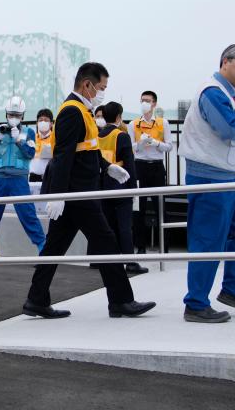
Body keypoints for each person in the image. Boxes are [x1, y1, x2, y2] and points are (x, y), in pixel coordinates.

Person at [23, 62, 155, 320]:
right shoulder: (72, 111)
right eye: (102, 88)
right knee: (106, 241)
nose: (103, 93)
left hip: (77, 192)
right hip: (77, 194)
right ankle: (121, 301)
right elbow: (62, 156)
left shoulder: (83, 111)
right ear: (87, 85)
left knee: (54, 247)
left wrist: (107, 168)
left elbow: (87, 150)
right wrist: (59, 195)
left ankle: (36, 299)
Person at [178, 43, 235, 323]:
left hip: (230, 177)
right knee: (208, 241)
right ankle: (195, 304)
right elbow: (230, 127)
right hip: (210, 177)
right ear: (225, 61)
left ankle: (233, 290)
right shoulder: (212, 92)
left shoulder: (227, 94)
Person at [0, 96, 46, 257]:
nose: (14, 118)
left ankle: (43, 249)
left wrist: (18, 140)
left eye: (17, 115)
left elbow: (30, 154)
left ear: (23, 116)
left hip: (19, 179)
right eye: (11, 114)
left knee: (27, 213)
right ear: (6, 114)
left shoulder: (28, 132)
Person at [97, 101, 147, 275]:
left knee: (108, 226)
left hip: (102, 186)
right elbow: (129, 165)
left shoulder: (98, 135)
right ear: (118, 117)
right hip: (120, 185)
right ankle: (130, 262)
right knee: (125, 226)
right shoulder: (122, 135)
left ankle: (108, 260)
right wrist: (133, 188)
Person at [128, 91, 173, 254]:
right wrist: (140, 144)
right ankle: (140, 247)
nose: (144, 103)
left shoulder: (163, 123)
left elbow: (169, 146)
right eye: (142, 100)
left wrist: (155, 143)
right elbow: (130, 147)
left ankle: (164, 247)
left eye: (147, 101)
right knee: (138, 209)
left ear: (154, 104)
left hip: (156, 167)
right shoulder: (133, 124)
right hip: (139, 167)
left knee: (160, 206)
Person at [29, 108, 55, 182]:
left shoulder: (55, 138)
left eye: (46, 120)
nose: (43, 122)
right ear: (37, 123)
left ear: (51, 124)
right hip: (33, 177)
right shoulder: (31, 138)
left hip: (49, 176)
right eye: (40, 120)